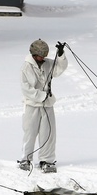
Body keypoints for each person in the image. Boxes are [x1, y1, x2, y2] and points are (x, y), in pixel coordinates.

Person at [19, 38, 67, 173]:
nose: (43, 58)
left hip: (47, 105)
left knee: (48, 133)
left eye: (45, 55)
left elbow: (58, 68)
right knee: (30, 132)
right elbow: (26, 88)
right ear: (34, 54)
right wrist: (41, 96)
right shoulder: (26, 67)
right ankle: (26, 159)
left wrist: (61, 55)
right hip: (32, 105)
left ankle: (47, 160)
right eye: (41, 55)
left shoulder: (47, 64)